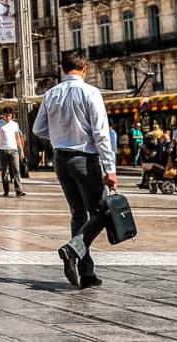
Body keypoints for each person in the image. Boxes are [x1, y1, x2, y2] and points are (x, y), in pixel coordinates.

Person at [35, 51, 117, 290]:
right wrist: (110, 168)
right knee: (102, 212)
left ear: (63, 69)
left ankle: (86, 272)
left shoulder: (51, 94)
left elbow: (38, 129)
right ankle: (74, 248)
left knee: (78, 214)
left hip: (61, 158)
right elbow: (101, 133)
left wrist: (61, 134)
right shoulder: (90, 92)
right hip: (85, 158)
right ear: (85, 68)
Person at [0, 108, 26, 197]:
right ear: (3, 115)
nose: (8, 117)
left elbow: (17, 137)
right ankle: (6, 190)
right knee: (4, 171)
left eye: (10, 116)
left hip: (14, 150)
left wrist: (21, 150)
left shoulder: (15, 124)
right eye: (6, 115)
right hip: (3, 150)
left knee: (16, 170)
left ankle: (19, 191)